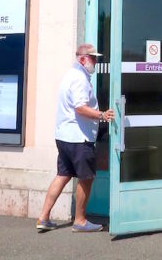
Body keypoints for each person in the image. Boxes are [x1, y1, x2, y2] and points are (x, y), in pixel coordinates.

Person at [36, 43, 115, 233]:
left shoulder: (70, 76)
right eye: (93, 58)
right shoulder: (79, 79)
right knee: (86, 178)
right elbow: (80, 107)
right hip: (78, 138)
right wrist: (102, 115)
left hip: (64, 136)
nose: (96, 61)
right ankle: (80, 220)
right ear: (82, 59)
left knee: (63, 175)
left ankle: (43, 217)